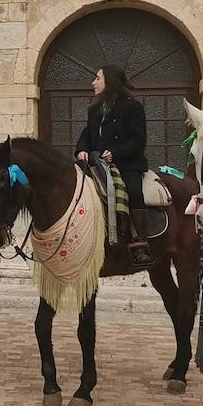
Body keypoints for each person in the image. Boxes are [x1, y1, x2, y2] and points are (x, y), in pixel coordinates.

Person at [75, 64, 152, 266]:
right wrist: (82, 149)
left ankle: (140, 244)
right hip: (97, 163)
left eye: (97, 78)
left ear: (110, 81)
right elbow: (86, 134)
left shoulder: (133, 107)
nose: (93, 82)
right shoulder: (94, 110)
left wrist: (116, 153)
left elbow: (138, 140)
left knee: (134, 191)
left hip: (127, 164)